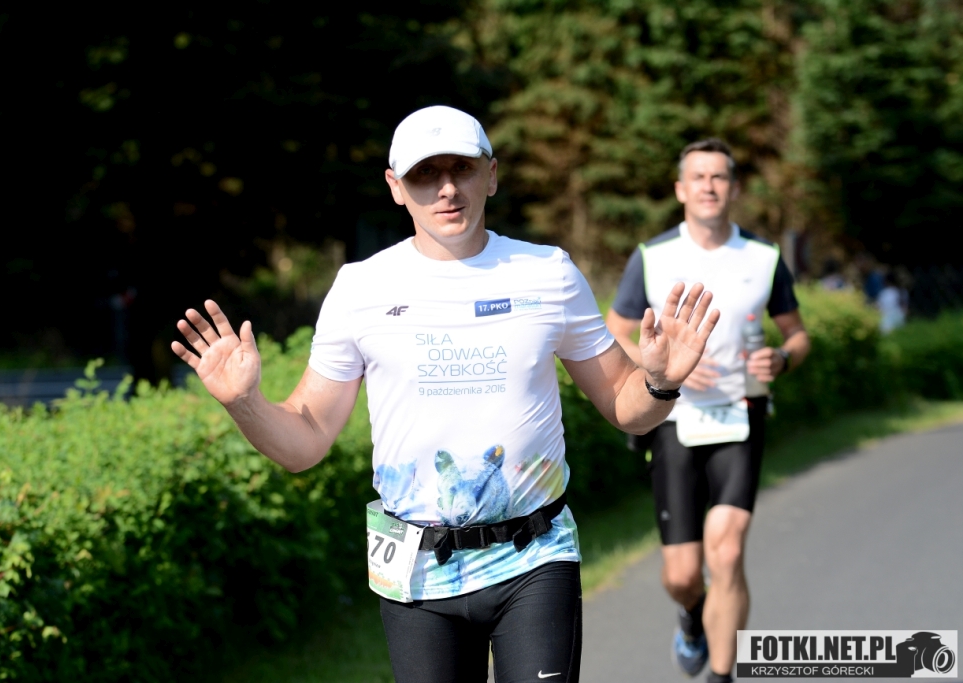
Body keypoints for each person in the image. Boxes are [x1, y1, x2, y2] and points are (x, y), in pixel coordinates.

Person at [171, 105, 720, 683]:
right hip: (416, 568)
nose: (447, 189)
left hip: (534, 554)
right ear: (395, 188)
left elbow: (627, 408)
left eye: (462, 168)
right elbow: (305, 441)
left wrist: (661, 381)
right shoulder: (360, 288)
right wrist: (244, 402)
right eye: (425, 174)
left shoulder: (547, 272)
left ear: (492, 174)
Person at [606, 139, 811, 683]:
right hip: (672, 420)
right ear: (680, 189)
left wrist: (782, 358)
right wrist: (664, 368)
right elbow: (613, 335)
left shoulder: (764, 258)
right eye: (698, 177)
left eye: (719, 177)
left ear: (734, 188)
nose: (708, 186)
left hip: (740, 416)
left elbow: (797, 335)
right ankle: (693, 617)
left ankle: (722, 674)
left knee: (728, 552)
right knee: (682, 574)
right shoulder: (651, 256)